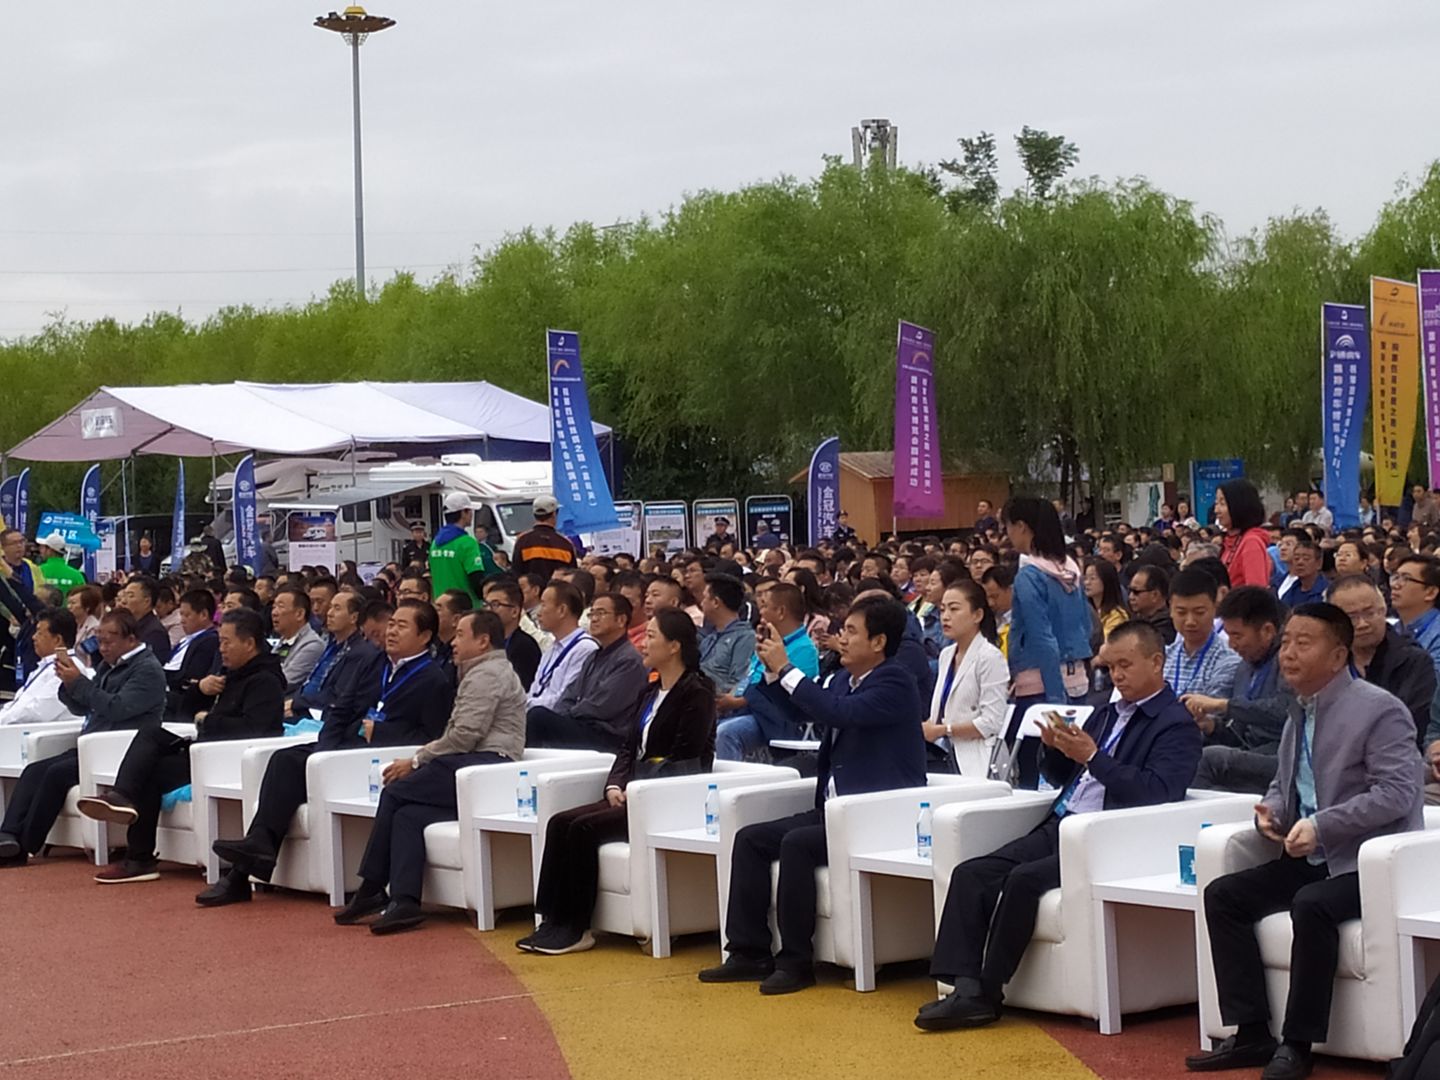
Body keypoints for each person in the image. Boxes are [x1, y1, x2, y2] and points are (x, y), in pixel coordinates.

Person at [917, 621, 1202, 1030]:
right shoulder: (1106, 711)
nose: (1117, 676)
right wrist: (1055, 750)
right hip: (1063, 822)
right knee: (972, 872)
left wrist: (1093, 757)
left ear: (1156, 662)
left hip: (1108, 837)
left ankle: (988, 991)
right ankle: (963, 987)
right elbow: (1065, 776)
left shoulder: (1175, 724)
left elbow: (1157, 792)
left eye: (1126, 665)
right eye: (1112, 667)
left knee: (1023, 880)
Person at [1186, 603, 1424, 1079]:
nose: (1288, 653)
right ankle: (1252, 1032)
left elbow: (1397, 794)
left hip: (1368, 862)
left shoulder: (1380, 710)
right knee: (1224, 895)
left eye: (1303, 643)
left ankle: (1297, 1044)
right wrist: (1272, 813)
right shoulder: (1301, 709)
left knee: (1312, 904)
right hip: (1314, 856)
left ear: (1337, 656)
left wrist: (1323, 825)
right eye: (1287, 642)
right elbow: (1284, 783)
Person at [698, 596, 926, 993]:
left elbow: (841, 713)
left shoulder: (896, 681)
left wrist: (788, 668)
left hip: (877, 815)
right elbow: (802, 712)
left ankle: (796, 962)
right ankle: (749, 952)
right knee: (750, 838)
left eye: (851, 631)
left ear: (878, 642)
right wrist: (773, 673)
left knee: (797, 844)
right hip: (834, 811)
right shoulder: (841, 679)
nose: (842, 638)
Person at [207, 600, 453, 888]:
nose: (392, 631)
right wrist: (325, 749)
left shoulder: (433, 679)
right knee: (284, 759)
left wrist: (382, 733)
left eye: (402, 626)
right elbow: (342, 709)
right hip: (342, 747)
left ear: (424, 636)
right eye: (391, 624)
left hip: (377, 757)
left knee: (295, 765)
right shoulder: (375, 662)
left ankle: (241, 873)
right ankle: (256, 849)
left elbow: (430, 736)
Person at [304, 610, 526, 925]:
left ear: (483, 641)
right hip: (473, 765)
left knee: (395, 791)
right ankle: (405, 900)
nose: (453, 642)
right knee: (409, 815)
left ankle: (371, 887)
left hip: (488, 765)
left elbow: (464, 737)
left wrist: (417, 760)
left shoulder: (487, 674)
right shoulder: (480, 671)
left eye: (461, 635)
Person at [521, 609, 717, 955]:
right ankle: (551, 921)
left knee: (583, 829)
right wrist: (615, 784)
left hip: (668, 796)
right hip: (634, 790)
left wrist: (636, 789)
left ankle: (577, 928)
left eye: (652, 636)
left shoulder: (696, 693)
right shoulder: (650, 692)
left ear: (674, 646)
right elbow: (628, 747)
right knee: (560, 822)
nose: (644, 643)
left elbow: (685, 757)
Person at [77, 608, 285, 883]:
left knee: (151, 770)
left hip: (228, 759)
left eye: (226, 642)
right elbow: (185, 712)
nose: (221, 649)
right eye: (220, 641)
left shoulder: (265, 681)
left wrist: (207, 720)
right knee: (150, 739)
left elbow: (256, 729)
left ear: (249, 643)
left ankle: (136, 849)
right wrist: (200, 690)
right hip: (206, 749)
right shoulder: (228, 675)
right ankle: (124, 807)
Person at [0, 610, 165, 865]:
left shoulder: (147, 670)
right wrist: (68, 686)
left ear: (131, 639)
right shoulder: (109, 665)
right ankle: (8, 836)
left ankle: (24, 846)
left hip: (121, 748)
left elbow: (117, 708)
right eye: (100, 642)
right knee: (34, 770)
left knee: (55, 774)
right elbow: (84, 707)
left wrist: (79, 683)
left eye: (109, 642)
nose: (103, 648)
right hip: (94, 742)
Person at [1186, 587, 1293, 794]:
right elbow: (1240, 733)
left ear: (1267, 631)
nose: (1232, 645)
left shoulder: (1288, 660)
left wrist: (1223, 705)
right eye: (1228, 636)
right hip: (1250, 751)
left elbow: (1284, 711)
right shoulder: (1244, 667)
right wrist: (1211, 727)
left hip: (1283, 754)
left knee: (1210, 759)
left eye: (1237, 636)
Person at [1003, 497, 1092, 714]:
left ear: (1021, 526)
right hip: (1077, 678)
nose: (1008, 533)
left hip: (1039, 686)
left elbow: (1042, 638)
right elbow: (1087, 625)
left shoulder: (1029, 576)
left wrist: (1055, 698)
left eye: (1008, 526)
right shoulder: (1071, 570)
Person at [714, 582, 822, 761]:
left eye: (765, 607)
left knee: (726, 733)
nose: (761, 612)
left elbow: (790, 693)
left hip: (772, 715)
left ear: (781, 612)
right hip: (750, 707)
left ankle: (732, 778)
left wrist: (738, 702)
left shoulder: (805, 649)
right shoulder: (768, 641)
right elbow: (749, 677)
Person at [525, 593, 647, 751]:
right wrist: (562, 714)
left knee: (538, 717)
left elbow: (601, 706)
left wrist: (567, 715)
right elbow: (569, 694)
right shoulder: (593, 656)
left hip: (607, 735)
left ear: (621, 620)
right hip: (582, 724)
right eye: (592, 614)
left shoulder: (629, 661)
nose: (594, 619)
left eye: (601, 613)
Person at [1327, 576, 1434, 742]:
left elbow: (1411, 725)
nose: (1362, 624)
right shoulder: (1328, 662)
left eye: (1369, 613)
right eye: (1351, 617)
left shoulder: (1413, 660)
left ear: (1383, 610)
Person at [920, 579, 1009, 777]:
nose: (946, 617)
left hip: (977, 759)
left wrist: (943, 730)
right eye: (942, 610)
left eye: (954, 609)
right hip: (941, 754)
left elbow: (991, 723)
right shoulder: (946, 655)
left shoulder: (990, 657)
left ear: (977, 615)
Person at [287, 589, 369, 720]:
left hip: (319, 714)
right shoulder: (332, 645)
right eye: (330, 607)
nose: (329, 613)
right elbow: (310, 682)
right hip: (302, 705)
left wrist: (296, 704)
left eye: (337, 608)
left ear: (354, 617)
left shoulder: (358, 652)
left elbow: (334, 696)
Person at [0, 608, 85, 726]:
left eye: (39, 633)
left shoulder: (67, 668)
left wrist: (2, 720)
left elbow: (37, 712)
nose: (34, 637)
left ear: (57, 640)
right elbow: (19, 703)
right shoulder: (48, 666)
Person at [1165, 568, 1241, 700]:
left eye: (1199, 612)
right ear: (1170, 609)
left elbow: (1212, 709)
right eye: (1181, 612)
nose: (1190, 621)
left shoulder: (1228, 659)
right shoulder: (1164, 656)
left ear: (1215, 608)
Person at [525, 581, 599, 712]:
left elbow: (564, 700)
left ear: (562, 610)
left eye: (543, 605)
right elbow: (536, 689)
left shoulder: (585, 648)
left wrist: (524, 704)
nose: (539, 613)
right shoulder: (552, 647)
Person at [428, 492, 496, 606]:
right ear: (463, 513)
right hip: (465, 605)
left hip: (441, 605)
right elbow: (476, 577)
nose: (472, 514)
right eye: (470, 511)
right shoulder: (467, 542)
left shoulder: (435, 543)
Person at [164, 588, 221, 720]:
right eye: (181, 615)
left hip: (182, 702)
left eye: (187, 615)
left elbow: (190, 679)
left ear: (203, 615)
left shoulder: (209, 641)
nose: (182, 620)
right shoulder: (187, 639)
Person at [698, 573, 756, 696]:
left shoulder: (746, 638)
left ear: (716, 602)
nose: (701, 603)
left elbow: (740, 682)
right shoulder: (709, 638)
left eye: (704, 598)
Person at [482, 578, 543, 691]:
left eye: (495, 604)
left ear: (514, 611)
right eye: (486, 605)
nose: (488, 610)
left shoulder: (524, 646)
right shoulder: (486, 643)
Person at [1216, 479, 1273, 590]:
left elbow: (1255, 591)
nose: (1216, 510)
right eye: (1216, 503)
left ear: (1240, 505)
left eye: (1222, 504)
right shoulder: (1229, 541)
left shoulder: (1251, 543)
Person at [1393, 554, 1440, 679]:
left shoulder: (1436, 633)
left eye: (1406, 579)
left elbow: (1431, 683)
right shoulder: (1392, 630)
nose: (1395, 585)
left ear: (1431, 592)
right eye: (1395, 577)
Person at [270, 585, 324, 693]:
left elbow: (285, 682)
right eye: (274, 607)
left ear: (299, 614)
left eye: (280, 607)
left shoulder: (312, 646)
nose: (274, 613)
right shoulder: (284, 640)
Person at [513, 495, 577, 583]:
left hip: (530, 590)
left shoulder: (522, 540)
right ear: (554, 514)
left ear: (534, 514)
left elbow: (516, 572)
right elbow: (573, 576)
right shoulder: (565, 543)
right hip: (558, 591)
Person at [118, 576, 173, 661]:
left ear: (147, 601)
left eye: (130, 596)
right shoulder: (128, 625)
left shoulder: (155, 633)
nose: (123, 601)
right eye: (124, 596)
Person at [1128, 564, 1176, 645]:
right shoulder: (1136, 618)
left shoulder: (1166, 627)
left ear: (1155, 595)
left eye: (1136, 592)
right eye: (1130, 591)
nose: (1131, 597)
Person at [1277, 533, 1327, 609]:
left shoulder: (1326, 591)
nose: (1300, 562)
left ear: (1319, 563)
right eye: (1296, 558)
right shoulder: (1291, 590)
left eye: (1306, 559)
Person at [1084, 558, 1129, 643]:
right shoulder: (1087, 610)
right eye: (1085, 578)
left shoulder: (1117, 615)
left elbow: (1107, 643)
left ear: (1106, 581)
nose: (1087, 582)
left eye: (1092, 578)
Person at [431, 589, 473, 668]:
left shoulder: (463, 653)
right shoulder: (432, 646)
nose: (432, 613)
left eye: (437, 610)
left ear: (456, 619)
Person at [36, 533, 85, 600]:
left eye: (43, 547)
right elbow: (83, 599)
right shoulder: (77, 575)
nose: (40, 550)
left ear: (50, 550)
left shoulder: (37, 571)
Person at [67, 584, 103, 650]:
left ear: (87, 607)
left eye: (73, 603)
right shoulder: (73, 624)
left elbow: (88, 652)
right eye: (68, 603)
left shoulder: (94, 628)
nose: (69, 607)